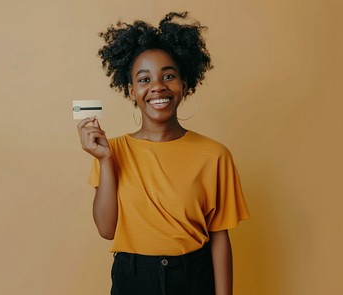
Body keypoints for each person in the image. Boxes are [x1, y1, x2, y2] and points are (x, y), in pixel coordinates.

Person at [77, 11, 250, 295]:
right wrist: (106, 161)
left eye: (168, 76)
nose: (158, 86)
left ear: (183, 85)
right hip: (132, 278)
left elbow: (220, 237)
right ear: (131, 90)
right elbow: (107, 230)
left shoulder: (215, 155)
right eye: (144, 79)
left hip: (193, 276)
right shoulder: (111, 151)